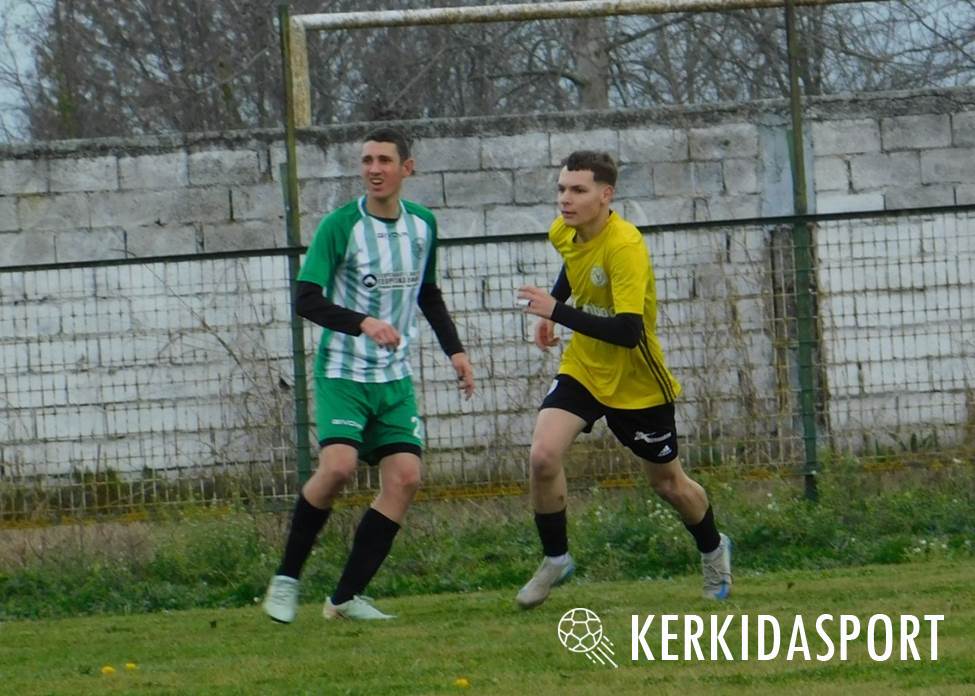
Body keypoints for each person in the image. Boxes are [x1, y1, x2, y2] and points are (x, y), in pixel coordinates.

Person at [263, 126, 475, 623]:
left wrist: (456, 351)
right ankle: (286, 580)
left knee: (406, 478)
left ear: (407, 168)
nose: (374, 169)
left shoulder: (423, 224)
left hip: (393, 379)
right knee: (338, 468)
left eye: (384, 160)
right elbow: (306, 299)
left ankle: (344, 598)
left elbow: (427, 293)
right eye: (366, 161)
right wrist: (363, 322)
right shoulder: (341, 226)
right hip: (344, 372)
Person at [514, 150, 732, 609]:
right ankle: (556, 559)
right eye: (562, 189)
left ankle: (714, 550)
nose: (566, 199)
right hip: (584, 367)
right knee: (542, 456)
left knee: (669, 485)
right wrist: (552, 311)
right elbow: (573, 265)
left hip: (637, 381)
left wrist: (557, 311)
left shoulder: (625, 246)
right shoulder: (563, 231)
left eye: (578, 190)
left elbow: (629, 332)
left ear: (605, 195)